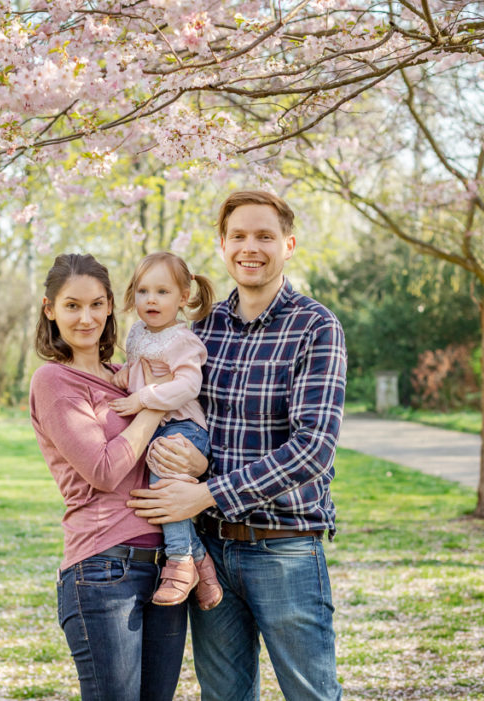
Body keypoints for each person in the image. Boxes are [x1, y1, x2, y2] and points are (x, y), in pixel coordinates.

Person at [128, 191, 348, 700]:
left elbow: (314, 449)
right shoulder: (201, 332)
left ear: (288, 245)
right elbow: (188, 421)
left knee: (311, 695)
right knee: (223, 696)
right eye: (240, 236)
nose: (252, 247)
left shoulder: (315, 327)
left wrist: (206, 492)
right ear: (223, 246)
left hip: (285, 548)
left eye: (265, 236)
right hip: (211, 550)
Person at [29, 253, 196, 701]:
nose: (86, 318)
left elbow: (180, 444)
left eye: (96, 305)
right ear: (50, 309)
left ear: (109, 308)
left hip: (164, 568)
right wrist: (155, 404)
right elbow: (104, 471)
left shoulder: (126, 377)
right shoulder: (54, 382)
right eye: (72, 305)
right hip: (103, 571)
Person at [108, 251, 223, 610]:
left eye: (162, 292)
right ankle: (201, 564)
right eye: (143, 291)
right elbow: (138, 366)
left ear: (183, 296)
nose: (151, 300)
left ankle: (179, 561)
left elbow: (188, 386)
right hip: (157, 424)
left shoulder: (182, 339)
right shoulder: (138, 332)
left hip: (184, 427)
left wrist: (143, 395)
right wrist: (128, 374)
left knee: (164, 488)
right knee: (158, 490)